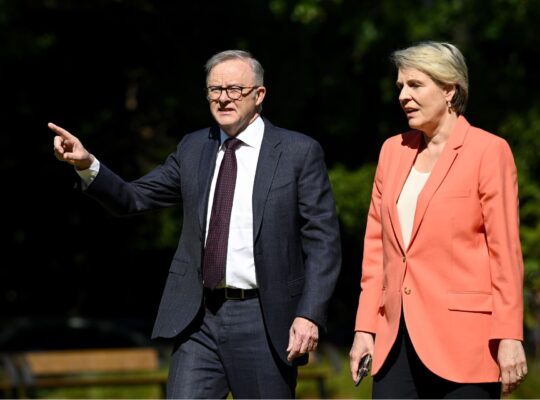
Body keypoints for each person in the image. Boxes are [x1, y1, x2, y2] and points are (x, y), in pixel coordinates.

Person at [49, 49, 341, 399]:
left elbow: (323, 242)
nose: (223, 98)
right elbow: (133, 198)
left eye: (234, 89)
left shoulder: (297, 152)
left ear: (259, 95)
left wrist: (309, 314)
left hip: (264, 319)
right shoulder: (193, 149)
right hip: (198, 320)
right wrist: (87, 164)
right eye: (214, 90)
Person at [349, 41, 527, 398]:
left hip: (465, 345)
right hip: (395, 342)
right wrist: (364, 328)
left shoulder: (488, 151)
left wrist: (509, 335)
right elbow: (375, 253)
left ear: (450, 90)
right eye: (400, 86)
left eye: (415, 85)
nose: (403, 96)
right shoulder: (391, 151)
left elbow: (504, 254)